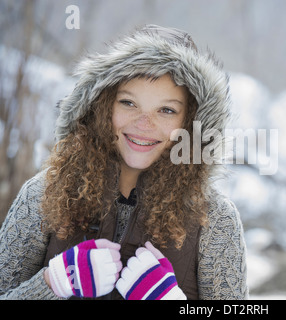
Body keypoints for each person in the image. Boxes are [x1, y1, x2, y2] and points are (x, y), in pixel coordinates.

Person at [0, 25, 248, 300]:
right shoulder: (42, 194)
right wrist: (51, 284)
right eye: (129, 103)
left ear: (189, 122)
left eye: (166, 110)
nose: (144, 124)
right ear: (103, 105)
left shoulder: (214, 217)